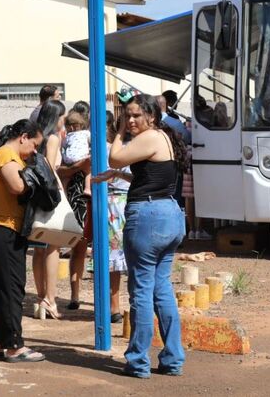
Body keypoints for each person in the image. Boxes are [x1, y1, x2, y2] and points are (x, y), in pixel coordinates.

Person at [108, 93, 186, 378]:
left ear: (151, 117)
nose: (129, 120)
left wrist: (117, 132)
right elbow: (155, 177)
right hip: (170, 215)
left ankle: (138, 361)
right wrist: (123, 178)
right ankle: (173, 359)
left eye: (135, 115)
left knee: (141, 290)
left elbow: (115, 157)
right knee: (161, 289)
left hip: (148, 218)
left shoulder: (149, 137)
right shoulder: (163, 137)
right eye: (126, 115)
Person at [0, 119, 45, 362]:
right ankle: (14, 346)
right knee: (12, 287)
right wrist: (36, 181)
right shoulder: (6, 154)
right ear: (23, 137)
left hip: (4, 228)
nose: (35, 151)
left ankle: (3, 342)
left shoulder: (8, 155)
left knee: (7, 287)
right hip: (0, 227)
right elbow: (17, 186)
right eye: (35, 145)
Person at [91, 111, 130, 323]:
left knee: (116, 256)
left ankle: (115, 305)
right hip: (116, 203)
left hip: (119, 204)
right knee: (113, 257)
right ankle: (114, 305)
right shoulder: (111, 149)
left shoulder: (110, 148)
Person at [31, 99, 66, 320]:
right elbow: (49, 169)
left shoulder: (36, 137)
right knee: (53, 247)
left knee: (38, 249)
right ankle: (50, 299)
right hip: (50, 196)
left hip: (35, 196)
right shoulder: (53, 138)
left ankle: (40, 297)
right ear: (56, 117)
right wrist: (60, 191)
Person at [58, 105, 92, 311]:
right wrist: (78, 167)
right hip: (78, 199)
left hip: (83, 198)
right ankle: (75, 295)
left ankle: (80, 296)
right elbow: (60, 170)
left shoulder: (78, 142)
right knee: (78, 248)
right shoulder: (67, 144)